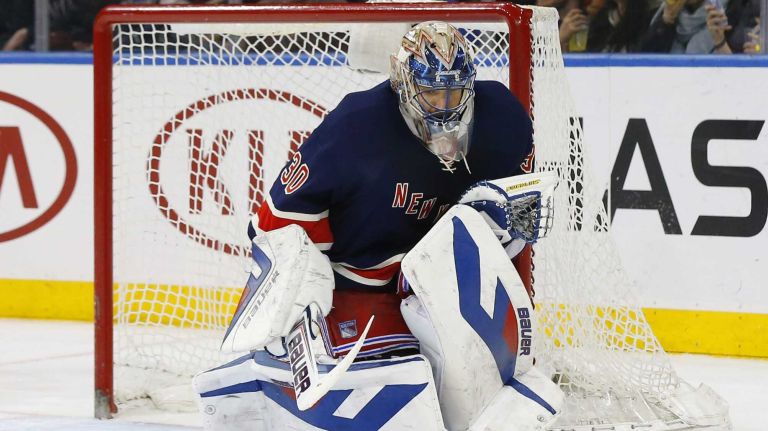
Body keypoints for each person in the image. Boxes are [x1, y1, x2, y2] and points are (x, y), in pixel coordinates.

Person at [194, 21, 561, 431]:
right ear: (403, 85)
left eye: (455, 92)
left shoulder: (503, 120)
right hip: (357, 285)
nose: (444, 106)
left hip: (435, 284)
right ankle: (267, 368)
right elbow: (275, 223)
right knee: (391, 385)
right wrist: (306, 299)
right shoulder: (356, 126)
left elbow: (514, 217)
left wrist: (500, 224)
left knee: (474, 383)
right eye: (431, 93)